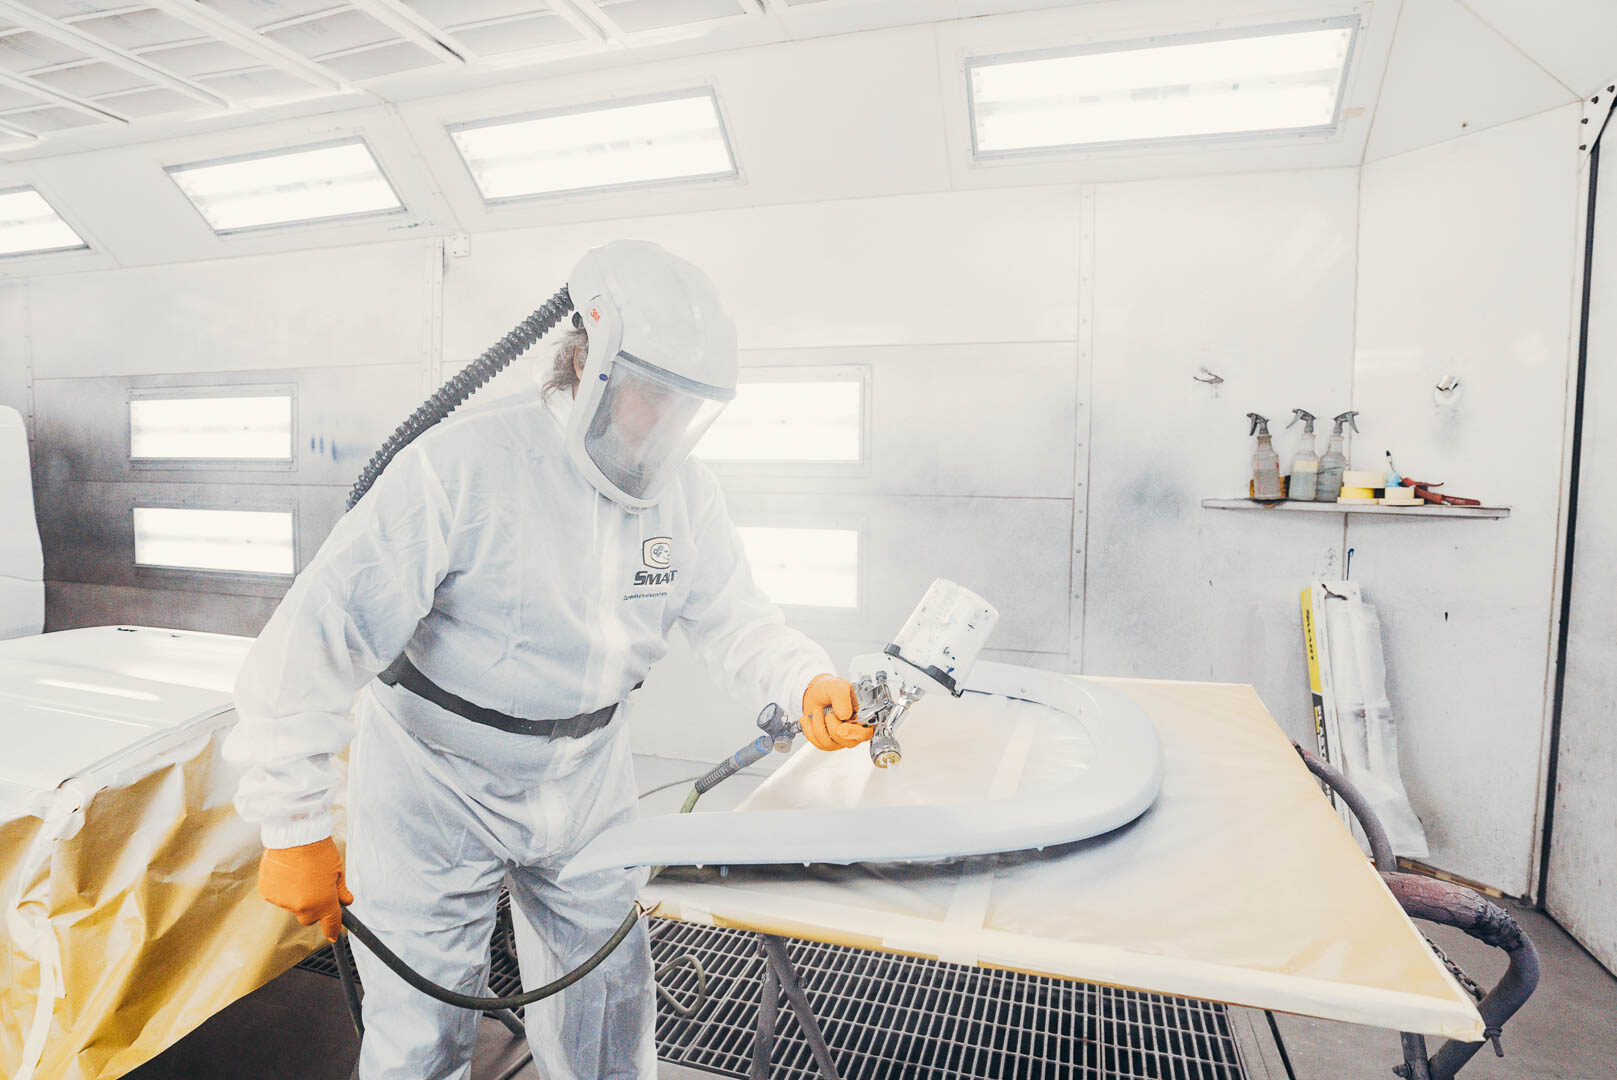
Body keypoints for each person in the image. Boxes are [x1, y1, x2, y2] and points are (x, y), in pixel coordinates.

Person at [223, 240, 869, 1080]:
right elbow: (313, 641)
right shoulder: (459, 469)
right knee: (422, 1029)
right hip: (435, 775)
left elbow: (736, 616)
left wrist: (804, 679)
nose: (666, 422)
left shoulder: (682, 490)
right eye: (653, 396)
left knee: (604, 1000)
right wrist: (293, 826)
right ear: (586, 363)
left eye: (686, 405)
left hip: (590, 770)